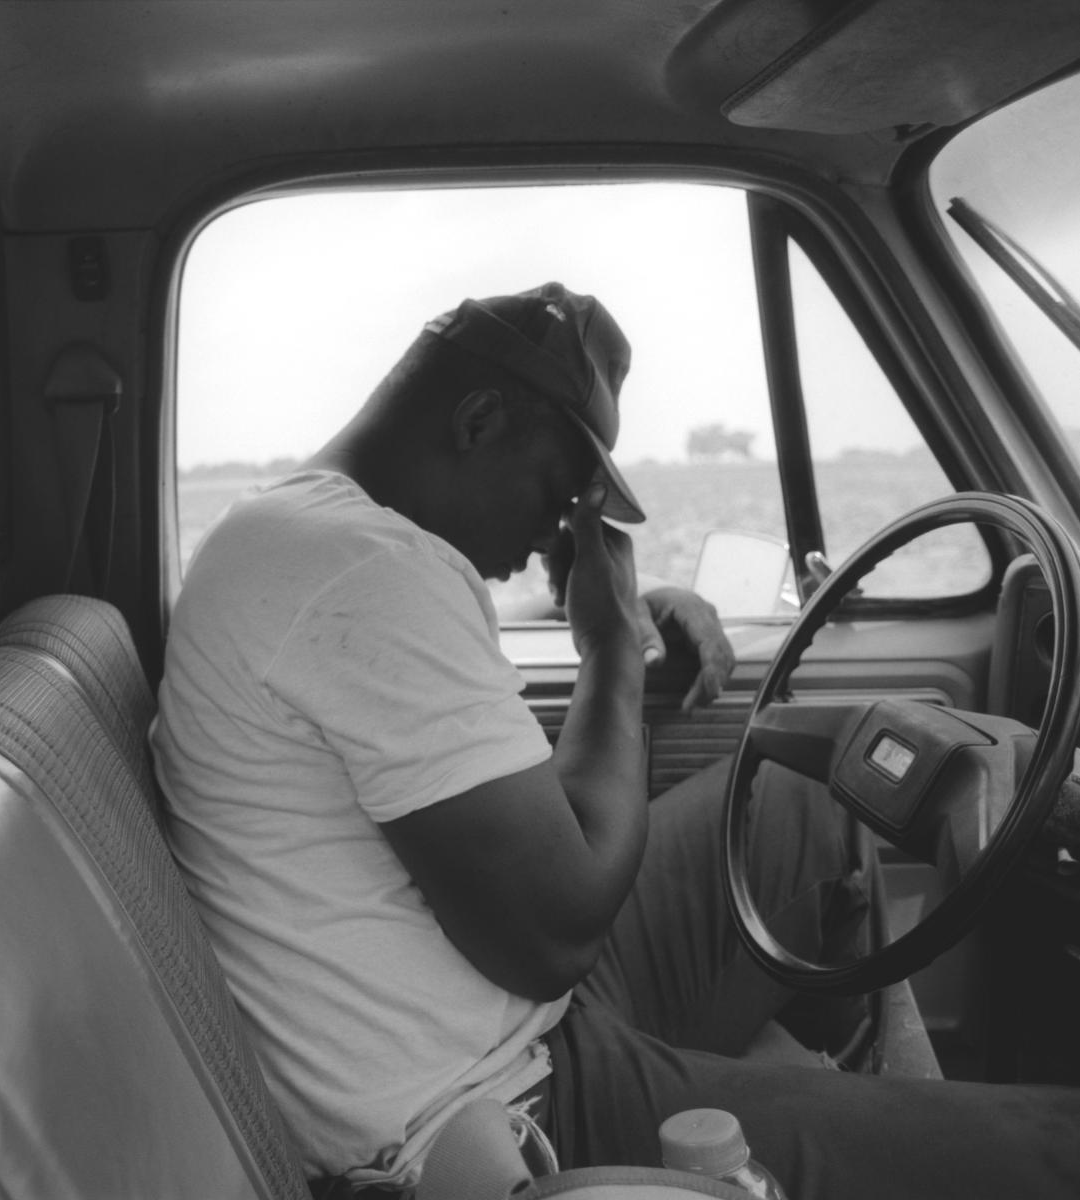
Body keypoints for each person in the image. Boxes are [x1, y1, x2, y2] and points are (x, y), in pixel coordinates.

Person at [151, 283, 1080, 1198]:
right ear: (478, 421)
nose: (556, 533)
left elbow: (448, 715)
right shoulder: (364, 573)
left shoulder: (302, 537)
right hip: (500, 1108)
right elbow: (554, 934)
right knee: (1052, 1146)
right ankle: (847, 1126)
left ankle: (838, 1099)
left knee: (796, 797)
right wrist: (607, 648)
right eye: (558, 492)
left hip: (506, 1015)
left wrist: (630, 618)